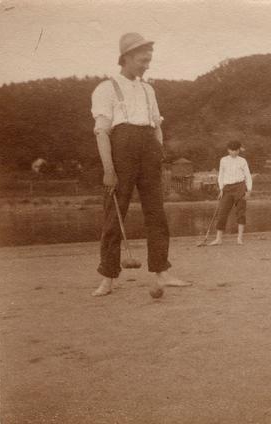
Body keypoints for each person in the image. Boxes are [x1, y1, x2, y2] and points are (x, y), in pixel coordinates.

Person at [90, 32, 190, 296]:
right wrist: (109, 170)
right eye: (142, 60)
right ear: (126, 58)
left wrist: (158, 151)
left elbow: (156, 126)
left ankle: (162, 270)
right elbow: (102, 132)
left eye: (149, 60)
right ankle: (108, 278)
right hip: (121, 149)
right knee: (114, 214)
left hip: (149, 150)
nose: (147, 65)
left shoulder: (148, 89)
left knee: (156, 212)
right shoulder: (106, 88)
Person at [208, 141, 252, 246]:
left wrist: (249, 190)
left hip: (240, 187)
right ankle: (219, 239)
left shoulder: (242, 161)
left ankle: (240, 238)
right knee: (222, 213)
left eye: (236, 150)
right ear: (228, 150)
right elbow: (221, 175)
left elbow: (248, 176)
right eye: (232, 150)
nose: (234, 152)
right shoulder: (223, 160)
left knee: (240, 213)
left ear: (239, 150)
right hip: (227, 188)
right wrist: (221, 189)